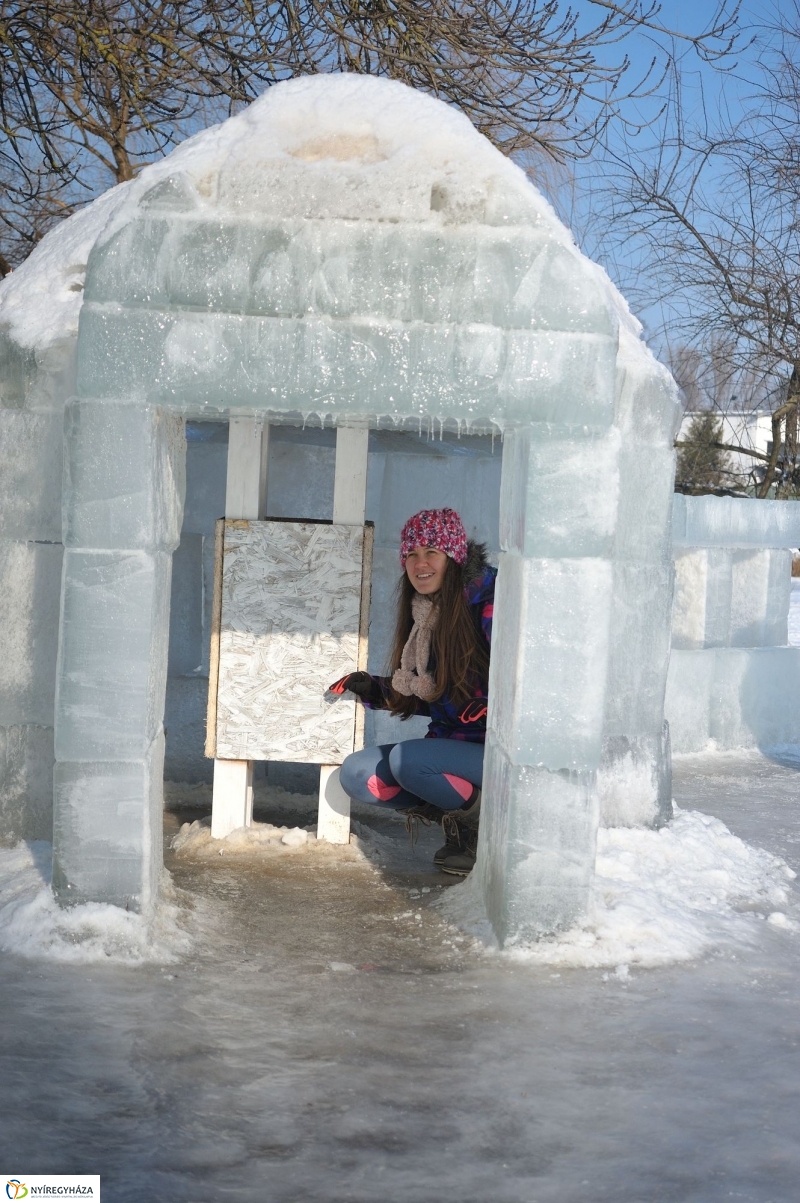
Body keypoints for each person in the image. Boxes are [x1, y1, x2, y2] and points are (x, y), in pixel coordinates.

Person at [328, 508, 495, 876]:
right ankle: (459, 817)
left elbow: (531, 683)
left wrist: (493, 707)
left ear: (453, 557)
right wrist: (374, 688)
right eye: (412, 554)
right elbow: (433, 694)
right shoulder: (426, 614)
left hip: (496, 755)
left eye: (432, 551)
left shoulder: (489, 604)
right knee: (357, 774)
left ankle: (481, 830)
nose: (420, 563)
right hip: (451, 748)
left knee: (409, 760)